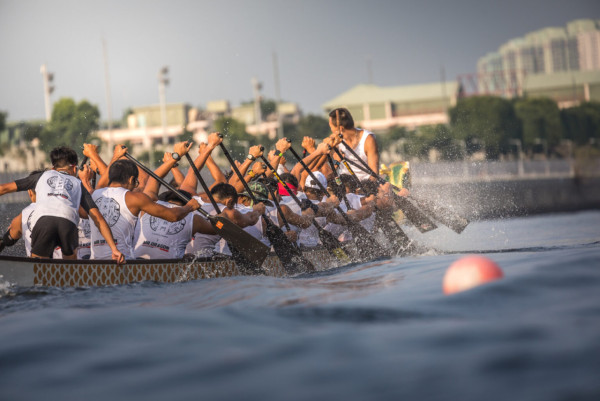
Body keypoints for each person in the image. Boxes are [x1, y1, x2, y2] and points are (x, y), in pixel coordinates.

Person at [0, 147, 124, 263]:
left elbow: (3, 189)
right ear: (74, 169)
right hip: (68, 224)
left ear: (53, 169)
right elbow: (98, 219)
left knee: (38, 265)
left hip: (44, 222)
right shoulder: (78, 183)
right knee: (70, 265)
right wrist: (114, 249)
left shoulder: (41, 176)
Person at [89, 143, 201, 260]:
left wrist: (115, 157)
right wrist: (189, 207)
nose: (135, 187)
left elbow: (103, 180)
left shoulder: (95, 193)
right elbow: (173, 216)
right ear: (131, 179)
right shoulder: (135, 198)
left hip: (94, 264)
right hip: (122, 262)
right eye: (136, 183)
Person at [133, 189, 216, 259]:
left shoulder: (148, 207)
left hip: (135, 261)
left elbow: (151, 183)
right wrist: (220, 220)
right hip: (167, 268)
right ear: (187, 203)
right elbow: (217, 229)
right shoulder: (195, 219)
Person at [329, 107, 379, 182]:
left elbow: (374, 174)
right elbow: (323, 170)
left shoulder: (368, 139)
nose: (331, 130)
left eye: (331, 127)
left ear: (341, 129)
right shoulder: (334, 140)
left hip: (366, 185)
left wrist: (364, 189)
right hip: (345, 185)